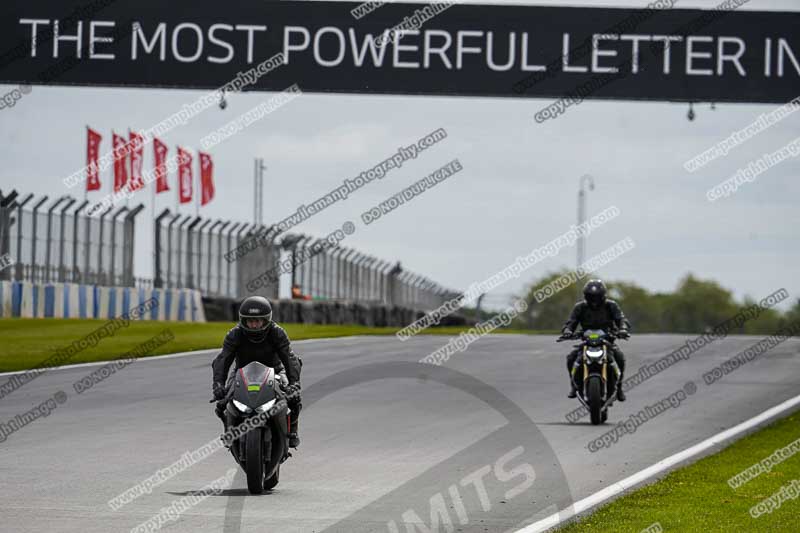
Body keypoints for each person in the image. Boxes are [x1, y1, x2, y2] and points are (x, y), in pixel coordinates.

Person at [212, 296, 303, 447]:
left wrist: (294, 383)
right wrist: (218, 384)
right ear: (243, 320)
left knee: (294, 397)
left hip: (275, 371)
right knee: (222, 401)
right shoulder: (234, 334)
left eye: (257, 321)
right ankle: (229, 431)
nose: (254, 325)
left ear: (266, 320)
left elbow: (290, 358)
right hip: (241, 373)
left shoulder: (277, 333)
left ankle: (292, 430)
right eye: (250, 321)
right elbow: (222, 359)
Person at [560, 279, 630, 401]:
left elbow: (621, 319)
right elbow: (571, 322)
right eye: (591, 297)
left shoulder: (611, 305)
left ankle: (619, 388)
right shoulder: (580, 307)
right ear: (586, 296)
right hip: (586, 341)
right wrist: (568, 331)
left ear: (603, 295)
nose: (594, 301)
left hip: (607, 341)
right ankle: (574, 385)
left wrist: (622, 329)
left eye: (597, 297)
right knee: (571, 358)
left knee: (619, 357)